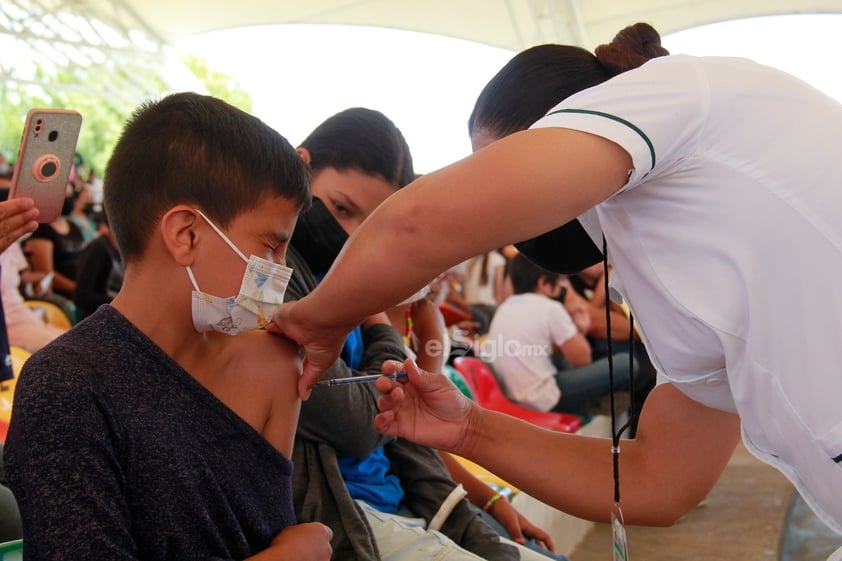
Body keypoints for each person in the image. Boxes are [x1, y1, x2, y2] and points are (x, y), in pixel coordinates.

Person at [269, 22, 842, 561]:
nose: (506, 215)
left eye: (496, 166)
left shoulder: (672, 95)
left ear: (570, 123)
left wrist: (311, 322)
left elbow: (417, 223)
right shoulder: (670, 261)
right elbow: (660, 482)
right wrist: (469, 427)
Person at [5, 92, 333, 560]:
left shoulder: (275, 362)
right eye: (270, 247)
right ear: (186, 235)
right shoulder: (65, 385)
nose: (279, 272)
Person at [289, 107, 556, 561]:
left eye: (370, 224)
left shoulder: (369, 298)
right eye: (340, 208)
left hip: (409, 497)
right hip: (350, 514)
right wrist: (379, 320)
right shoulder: (296, 287)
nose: (350, 234)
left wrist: (483, 504)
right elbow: (363, 423)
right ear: (300, 167)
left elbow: (411, 426)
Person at [488, 253, 631, 414]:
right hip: (542, 399)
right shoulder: (549, 308)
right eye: (559, 281)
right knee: (626, 362)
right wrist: (581, 331)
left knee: (563, 357)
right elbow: (582, 360)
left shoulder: (504, 308)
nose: (563, 287)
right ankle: (588, 407)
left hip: (513, 397)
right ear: (543, 283)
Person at [0, 240, 66, 351]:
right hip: (8, 324)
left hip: (23, 313)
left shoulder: (11, 241)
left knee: (82, 344)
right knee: (66, 351)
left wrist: (42, 278)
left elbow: (23, 275)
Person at [73, 210, 124, 319]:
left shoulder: (125, 250)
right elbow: (81, 296)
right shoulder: (97, 249)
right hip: (100, 319)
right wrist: (124, 300)